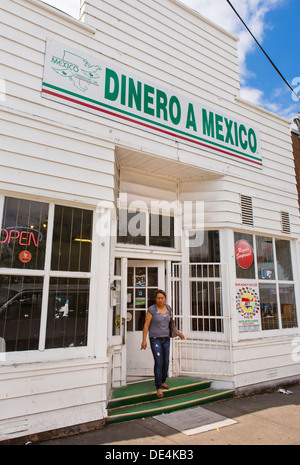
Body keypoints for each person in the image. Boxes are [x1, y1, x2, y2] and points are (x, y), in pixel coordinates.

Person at [141, 289, 185, 398]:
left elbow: (171, 324)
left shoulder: (168, 308)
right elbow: (146, 325)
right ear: (155, 299)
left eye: (162, 298)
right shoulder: (151, 310)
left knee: (166, 361)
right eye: (158, 298)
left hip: (166, 338)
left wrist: (178, 333)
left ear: (165, 299)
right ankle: (158, 388)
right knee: (158, 361)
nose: (160, 300)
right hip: (155, 338)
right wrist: (144, 340)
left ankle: (163, 381)